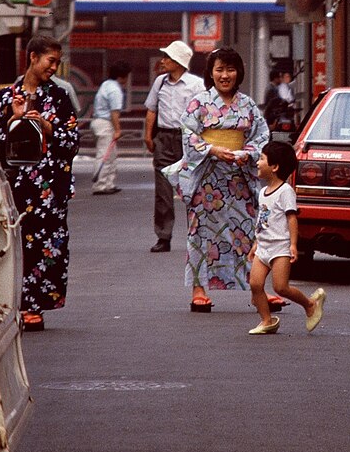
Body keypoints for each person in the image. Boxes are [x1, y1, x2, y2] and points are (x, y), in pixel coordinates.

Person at [165, 45, 269, 312]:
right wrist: (211, 149)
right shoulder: (199, 103)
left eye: (230, 69)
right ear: (210, 73)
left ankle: (258, 288)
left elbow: (261, 136)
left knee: (247, 230)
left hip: (238, 177)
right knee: (201, 232)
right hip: (207, 177)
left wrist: (247, 153)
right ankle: (198, 289)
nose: (225, 75)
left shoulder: (248, 104)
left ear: (239, 72)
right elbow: (188, 134)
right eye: (219, 69)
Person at [0, 34, 80, 331]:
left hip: (50, 188)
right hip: (16, 186)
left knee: (47, 245)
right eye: (50, 61)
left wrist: (47, 125)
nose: (54, 67)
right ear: (33, 57)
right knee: (12, 245)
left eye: (57, 62)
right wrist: (14, 120)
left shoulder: (60, 97)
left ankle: (34, 306)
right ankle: (11, 303)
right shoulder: (6, 97)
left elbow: (73, 140)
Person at [248, 140, 326, 336]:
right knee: (255, 284)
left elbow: (291, 218)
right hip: (263, 247)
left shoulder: (285, 191)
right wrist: (256, 243)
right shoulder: (262, 192)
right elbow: (262, 221)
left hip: (280, 248)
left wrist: (292, 244)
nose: (257, 163)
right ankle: (266, 320)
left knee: (281, 287)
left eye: (262, 159)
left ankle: (310, 304)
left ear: (274, 167)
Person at [143, 40, 205, 252]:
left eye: (167, 58)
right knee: (163, 191)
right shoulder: (160, 82)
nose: (163, 61)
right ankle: (163, 236)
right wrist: (148, 136)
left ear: (178, 62)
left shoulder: (196, 85)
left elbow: (203, 114)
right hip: (164, 138)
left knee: (192, 189)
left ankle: (196, 236)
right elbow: (152, 109)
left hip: (187, 138)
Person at [91, 60, 130, 195]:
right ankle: (100, 185)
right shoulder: (115, 90)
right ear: (122, 76)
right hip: (106, 124)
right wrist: (118, 130)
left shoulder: (106, 84)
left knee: (110, 154)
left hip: (98, 122)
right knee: (105, 155)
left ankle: (108, 183)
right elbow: (114, 112)